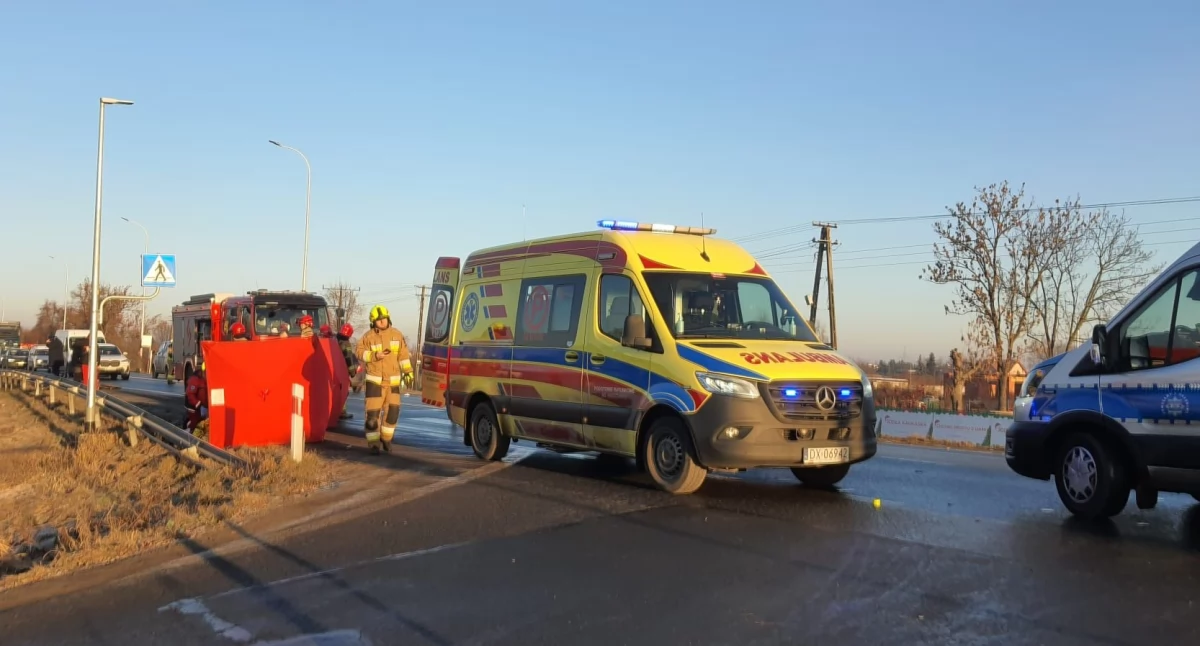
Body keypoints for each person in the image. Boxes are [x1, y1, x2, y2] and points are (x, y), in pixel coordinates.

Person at [355, 305, 412, 454]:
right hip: (375, 381)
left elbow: (404, 355)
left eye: (384, 319)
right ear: (373, 321)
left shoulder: (397, 335)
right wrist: (374, 356)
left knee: (392, 413)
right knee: (372, 417)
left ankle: (386, 439)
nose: (382, 322)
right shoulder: (368, 337)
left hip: (392, 381)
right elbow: (359, 352)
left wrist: (408, 372)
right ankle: (374, 444)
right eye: (379, 320)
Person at [337, 323, 355, 420]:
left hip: (333, 370)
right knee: (344, 391)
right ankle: (341, 411)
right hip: (342, 371)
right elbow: (348, 358)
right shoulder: (346, 344)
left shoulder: (334, 339)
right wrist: (352, 372)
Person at [184, 361, 208, 433]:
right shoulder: (195, 379)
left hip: (203, 406)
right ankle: (187, 432)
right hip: (193, 407)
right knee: (195, 422)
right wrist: (198, 404)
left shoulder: (207, 379)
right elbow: (190, 394)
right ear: (203, 371)